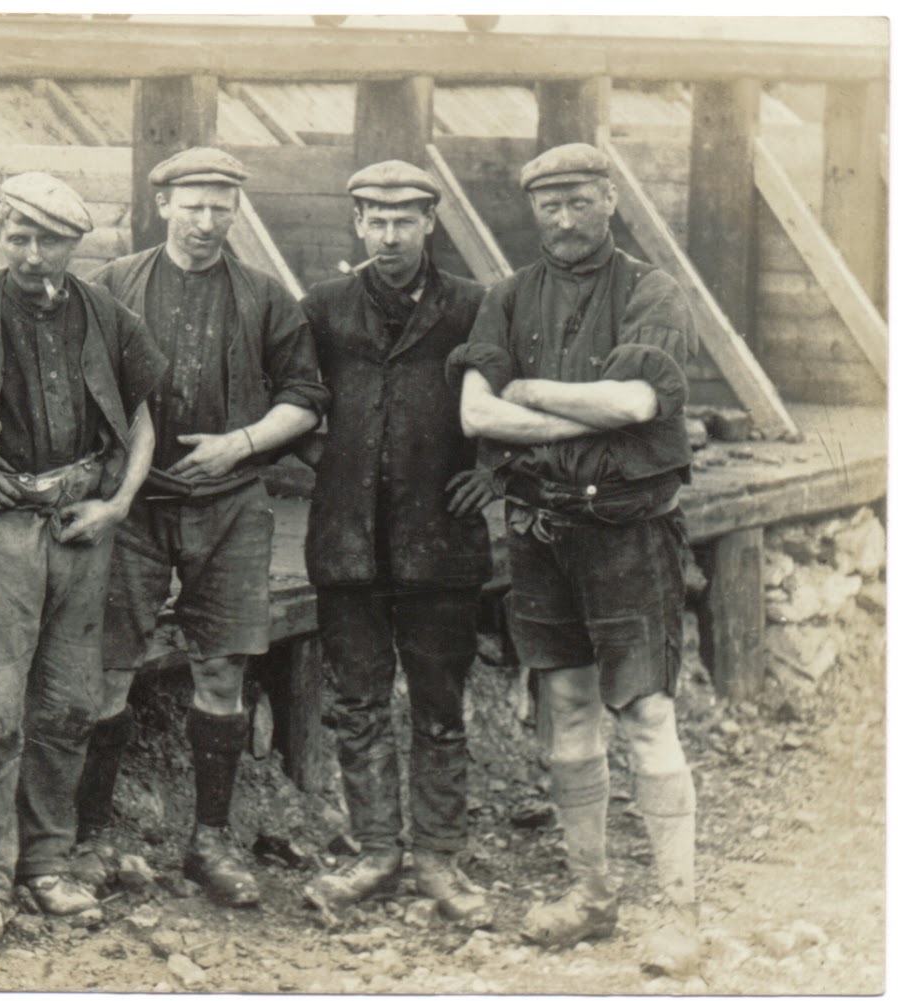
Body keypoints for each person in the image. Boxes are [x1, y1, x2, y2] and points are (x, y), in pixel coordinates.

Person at [450, 143, 701, 974]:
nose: (563, 219)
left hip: (628, 534)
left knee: (649, 712)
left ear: (610, 200)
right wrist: (572, 412)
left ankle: (679, 910)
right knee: (566, 708)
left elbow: (637, 400)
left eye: (579, 202)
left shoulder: (651, 291)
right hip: (541, 532)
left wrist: (530, 392)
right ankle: (591, 893)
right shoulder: (509, 297)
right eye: (547, 204)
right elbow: (477, 415)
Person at [78, 148, 328, 907]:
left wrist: (241, 443)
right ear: (163, 205)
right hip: (135, 504)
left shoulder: (263, 296)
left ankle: (209, 840)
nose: (207, 220)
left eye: (222, 206)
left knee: (223, 670)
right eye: (193, 204)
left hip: (231, 503)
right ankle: (87, 836)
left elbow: (307, 397)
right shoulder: (113, 286)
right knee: (107, 670)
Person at [0, 172, 165, 954]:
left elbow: (140, 418)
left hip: (81, 523)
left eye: (51, 239)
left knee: (68, 703)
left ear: (78, 242)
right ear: (1, 234)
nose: (33, 255)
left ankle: (47, 859)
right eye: (19, 236)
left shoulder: (107, 315)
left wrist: (118, 503)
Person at [295, 161, 495, 928]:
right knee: (358, 702)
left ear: (429, 223)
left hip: (439, 542)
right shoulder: (323, 309)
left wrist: (498, 472)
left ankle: (441, 855)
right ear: (356, 225)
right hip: (347, 545)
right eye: (374, 220)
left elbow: (512, 388)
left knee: (440, 703)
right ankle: (377, 850)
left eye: (403, 220)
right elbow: (290, 394)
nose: (388, 234)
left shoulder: (472, 308)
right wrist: (333, 466)